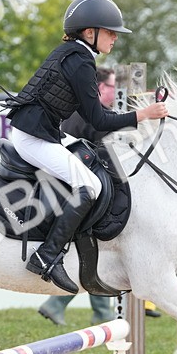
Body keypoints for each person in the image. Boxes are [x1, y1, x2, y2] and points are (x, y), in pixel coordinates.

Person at [2, 0, 168, 293]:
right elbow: (99, 121)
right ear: (89, 32)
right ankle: (47, 256)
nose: (115, 38)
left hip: (41, 131)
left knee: (89, 159)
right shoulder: (80, 63)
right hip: (33, 137)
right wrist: (143, 115)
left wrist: (130, 116)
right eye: (110, 32)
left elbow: (94, 112)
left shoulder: (73, 54)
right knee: (90, 185)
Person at [36, 66, 120, 326]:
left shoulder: (75, 110)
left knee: (91, 249)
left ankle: (65, 306)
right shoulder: (96, 116)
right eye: (112, 87)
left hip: (68, 187)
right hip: (81, 191)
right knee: (93, 247)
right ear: (100, 88)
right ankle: (67, 306)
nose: (115, 92)